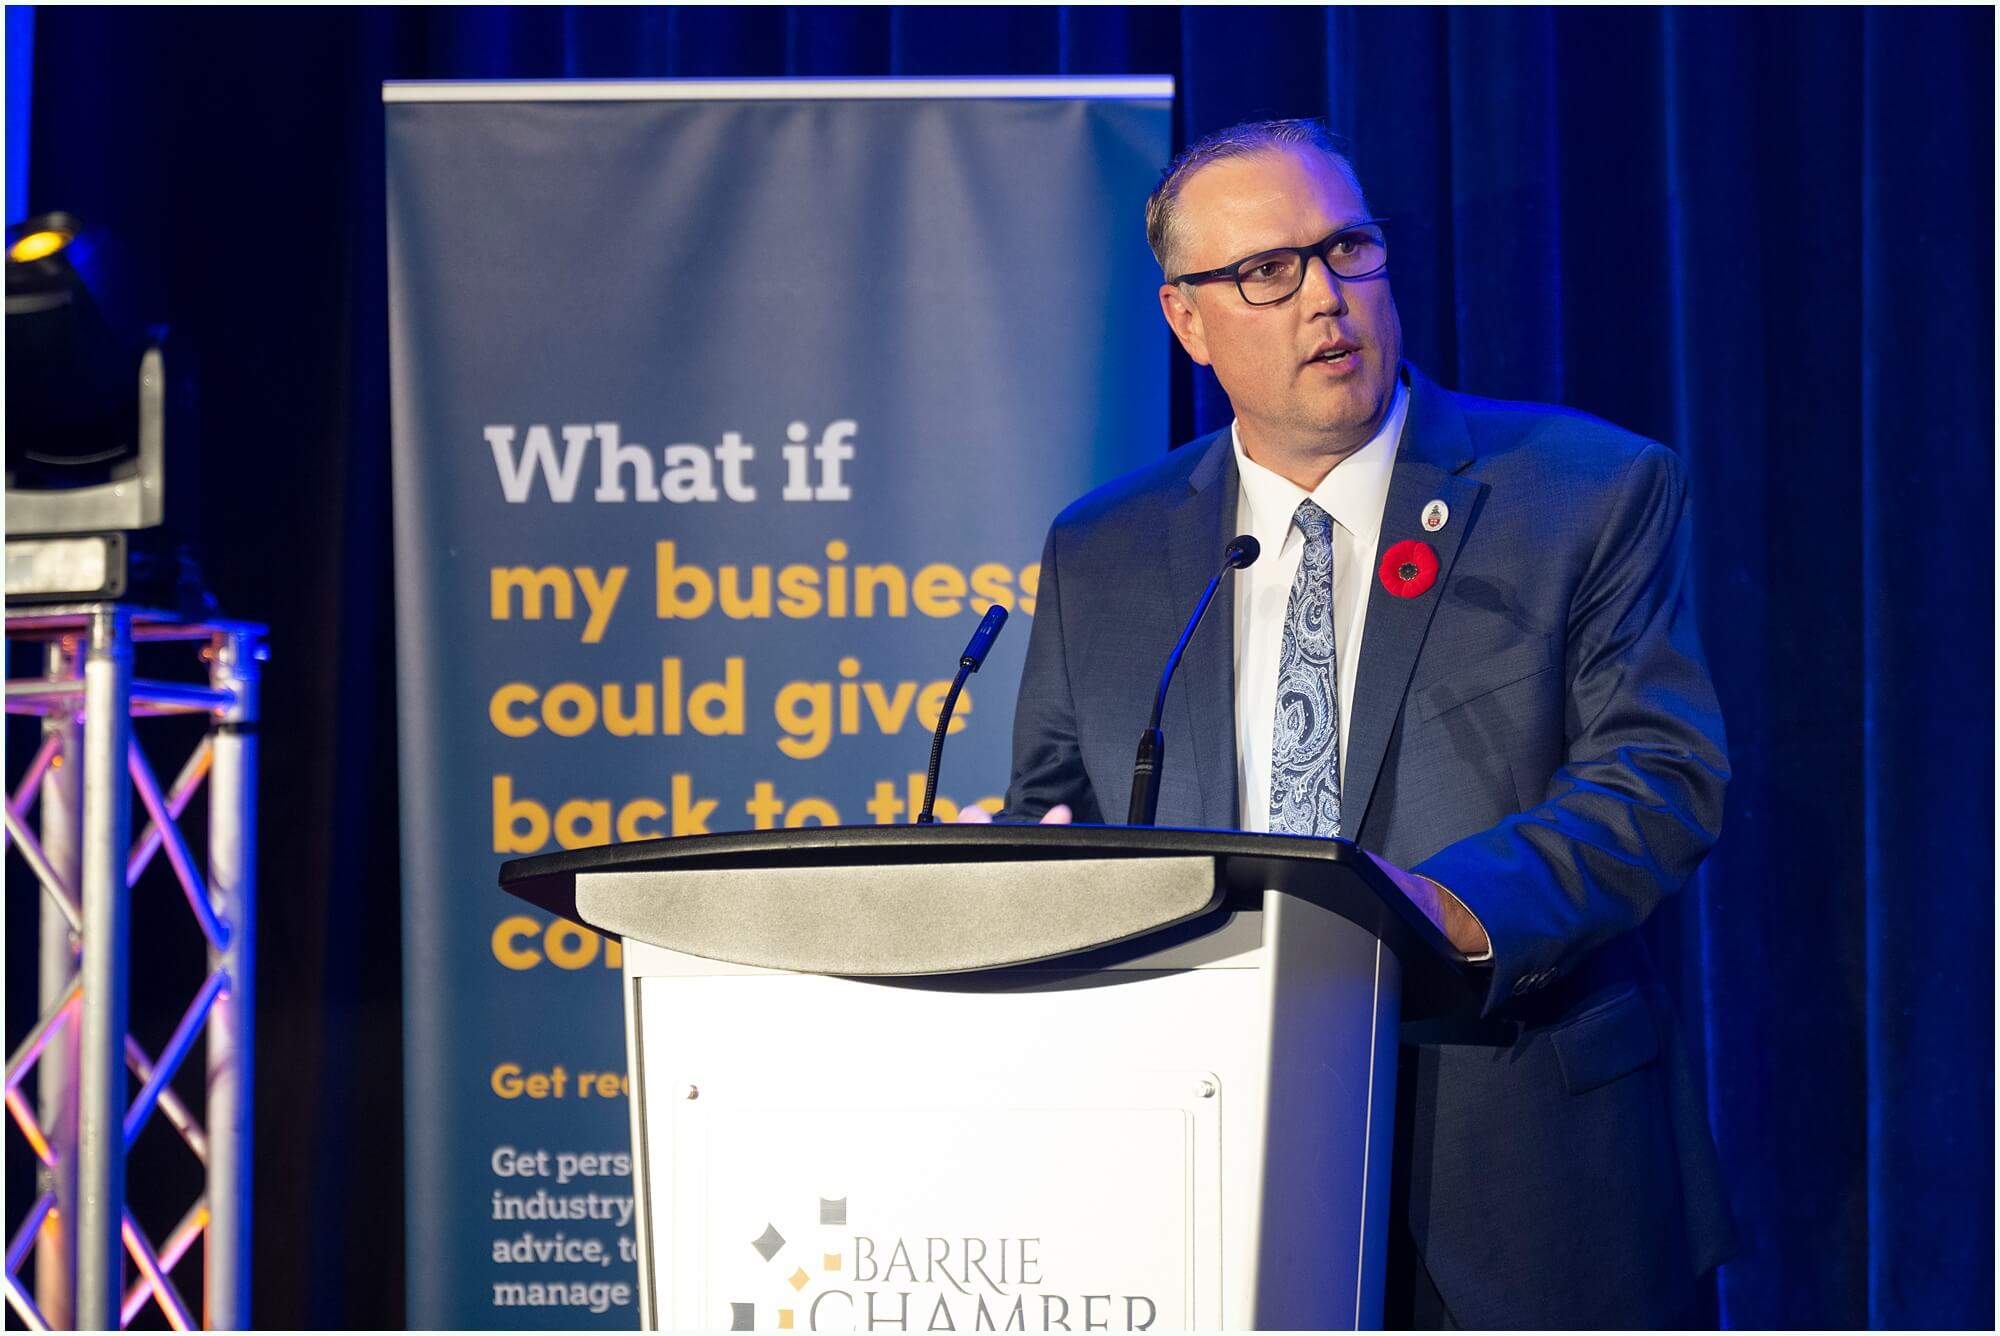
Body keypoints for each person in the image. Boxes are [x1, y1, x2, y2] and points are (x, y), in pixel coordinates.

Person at [998, 119, 1733, 1328]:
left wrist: (1448, 908)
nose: (1322, 299)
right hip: (1205, 1166)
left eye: (1346, 250)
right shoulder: (1106, 548)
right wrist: (1010, 871)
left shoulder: (1580, 491)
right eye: (1265, 272)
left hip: (1527, 1161)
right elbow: (1054, 810)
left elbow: (1656, 776)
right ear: (1187, 321)